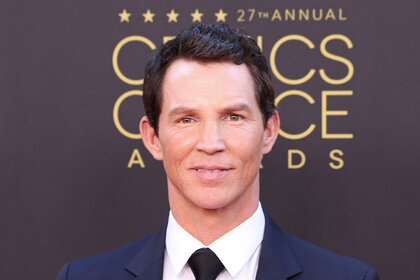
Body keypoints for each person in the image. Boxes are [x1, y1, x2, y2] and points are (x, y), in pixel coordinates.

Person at [57, 24, 379, 280]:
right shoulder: (82, 277)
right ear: (153, 137)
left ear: (269, 131)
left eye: (233, 117)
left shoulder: (349, 277)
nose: (211, 143)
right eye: (187, 119)